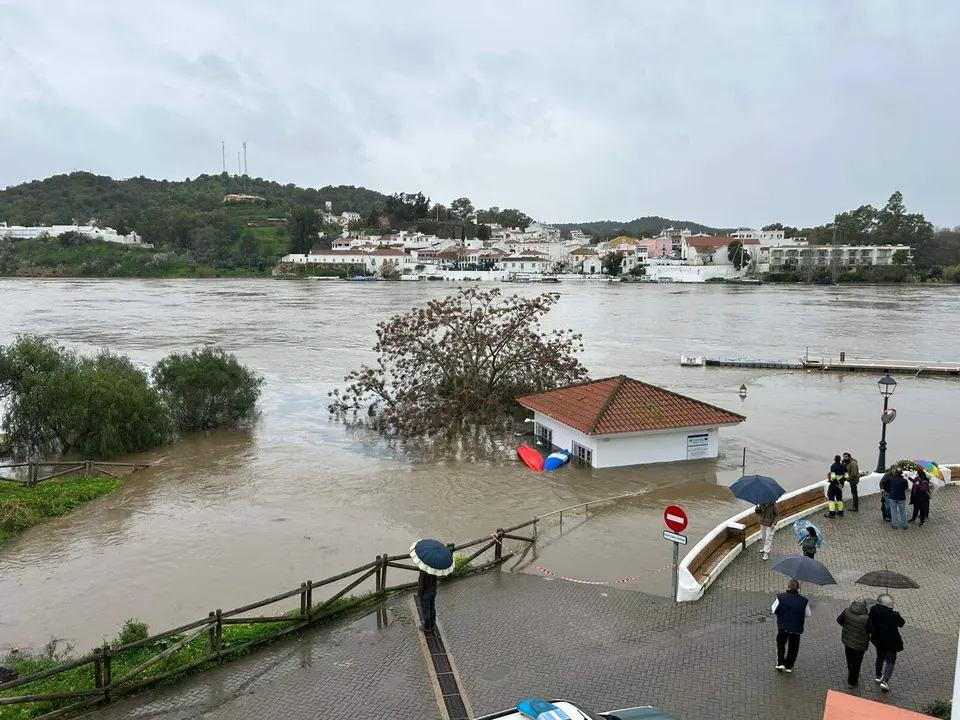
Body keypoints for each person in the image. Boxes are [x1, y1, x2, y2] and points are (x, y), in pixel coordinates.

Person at [772, 579, 811, 673]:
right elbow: (808, 614)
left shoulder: (781, 597)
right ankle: (789, 666)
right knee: (793, 647)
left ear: (788, 586)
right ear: (798, 588)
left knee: (781, 643)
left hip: (783, 626)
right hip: (796, 628)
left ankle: (780, 663)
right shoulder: (804, 601)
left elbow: (774, 610)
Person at [869, 593, 905, 691]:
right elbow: (901, 623)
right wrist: (898, 613)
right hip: (891, 642)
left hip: (878, 639)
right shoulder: (894, 615)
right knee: (890, 661)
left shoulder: (873, 610)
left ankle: (877, 676)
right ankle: (885, 681)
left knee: (880, 657)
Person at [837, 598, 873, 688]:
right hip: (860, 645)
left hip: (847, 641)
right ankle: (852, 682)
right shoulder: (866, 618)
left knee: (849, 659)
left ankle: (850, 674)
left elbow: (839, 620)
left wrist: (847, 627)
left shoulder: (846, 611)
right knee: (857, 663)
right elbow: (872, 630)